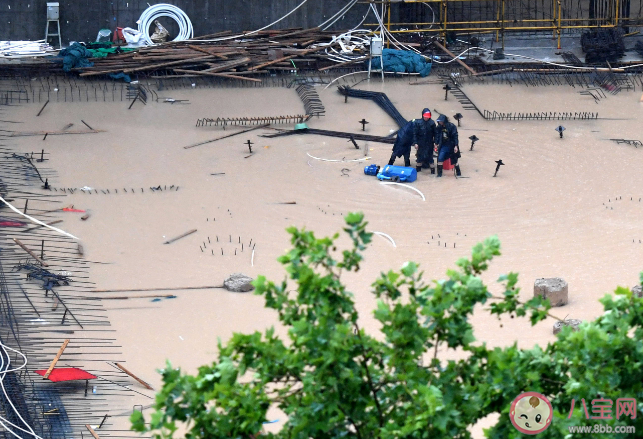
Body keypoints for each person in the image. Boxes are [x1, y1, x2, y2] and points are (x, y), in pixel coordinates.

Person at [412, 108, 437, 174]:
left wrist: (436, 143)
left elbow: (435, 133)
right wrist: (415, 143)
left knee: (430, 157)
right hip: (421, 143)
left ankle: (433, 171)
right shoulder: (418, 123)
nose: (426, 118)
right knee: (419, 157)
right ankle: (418, 171)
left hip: (429, 143)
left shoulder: (432, 123)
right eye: (425, 116)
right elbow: (415, 133)